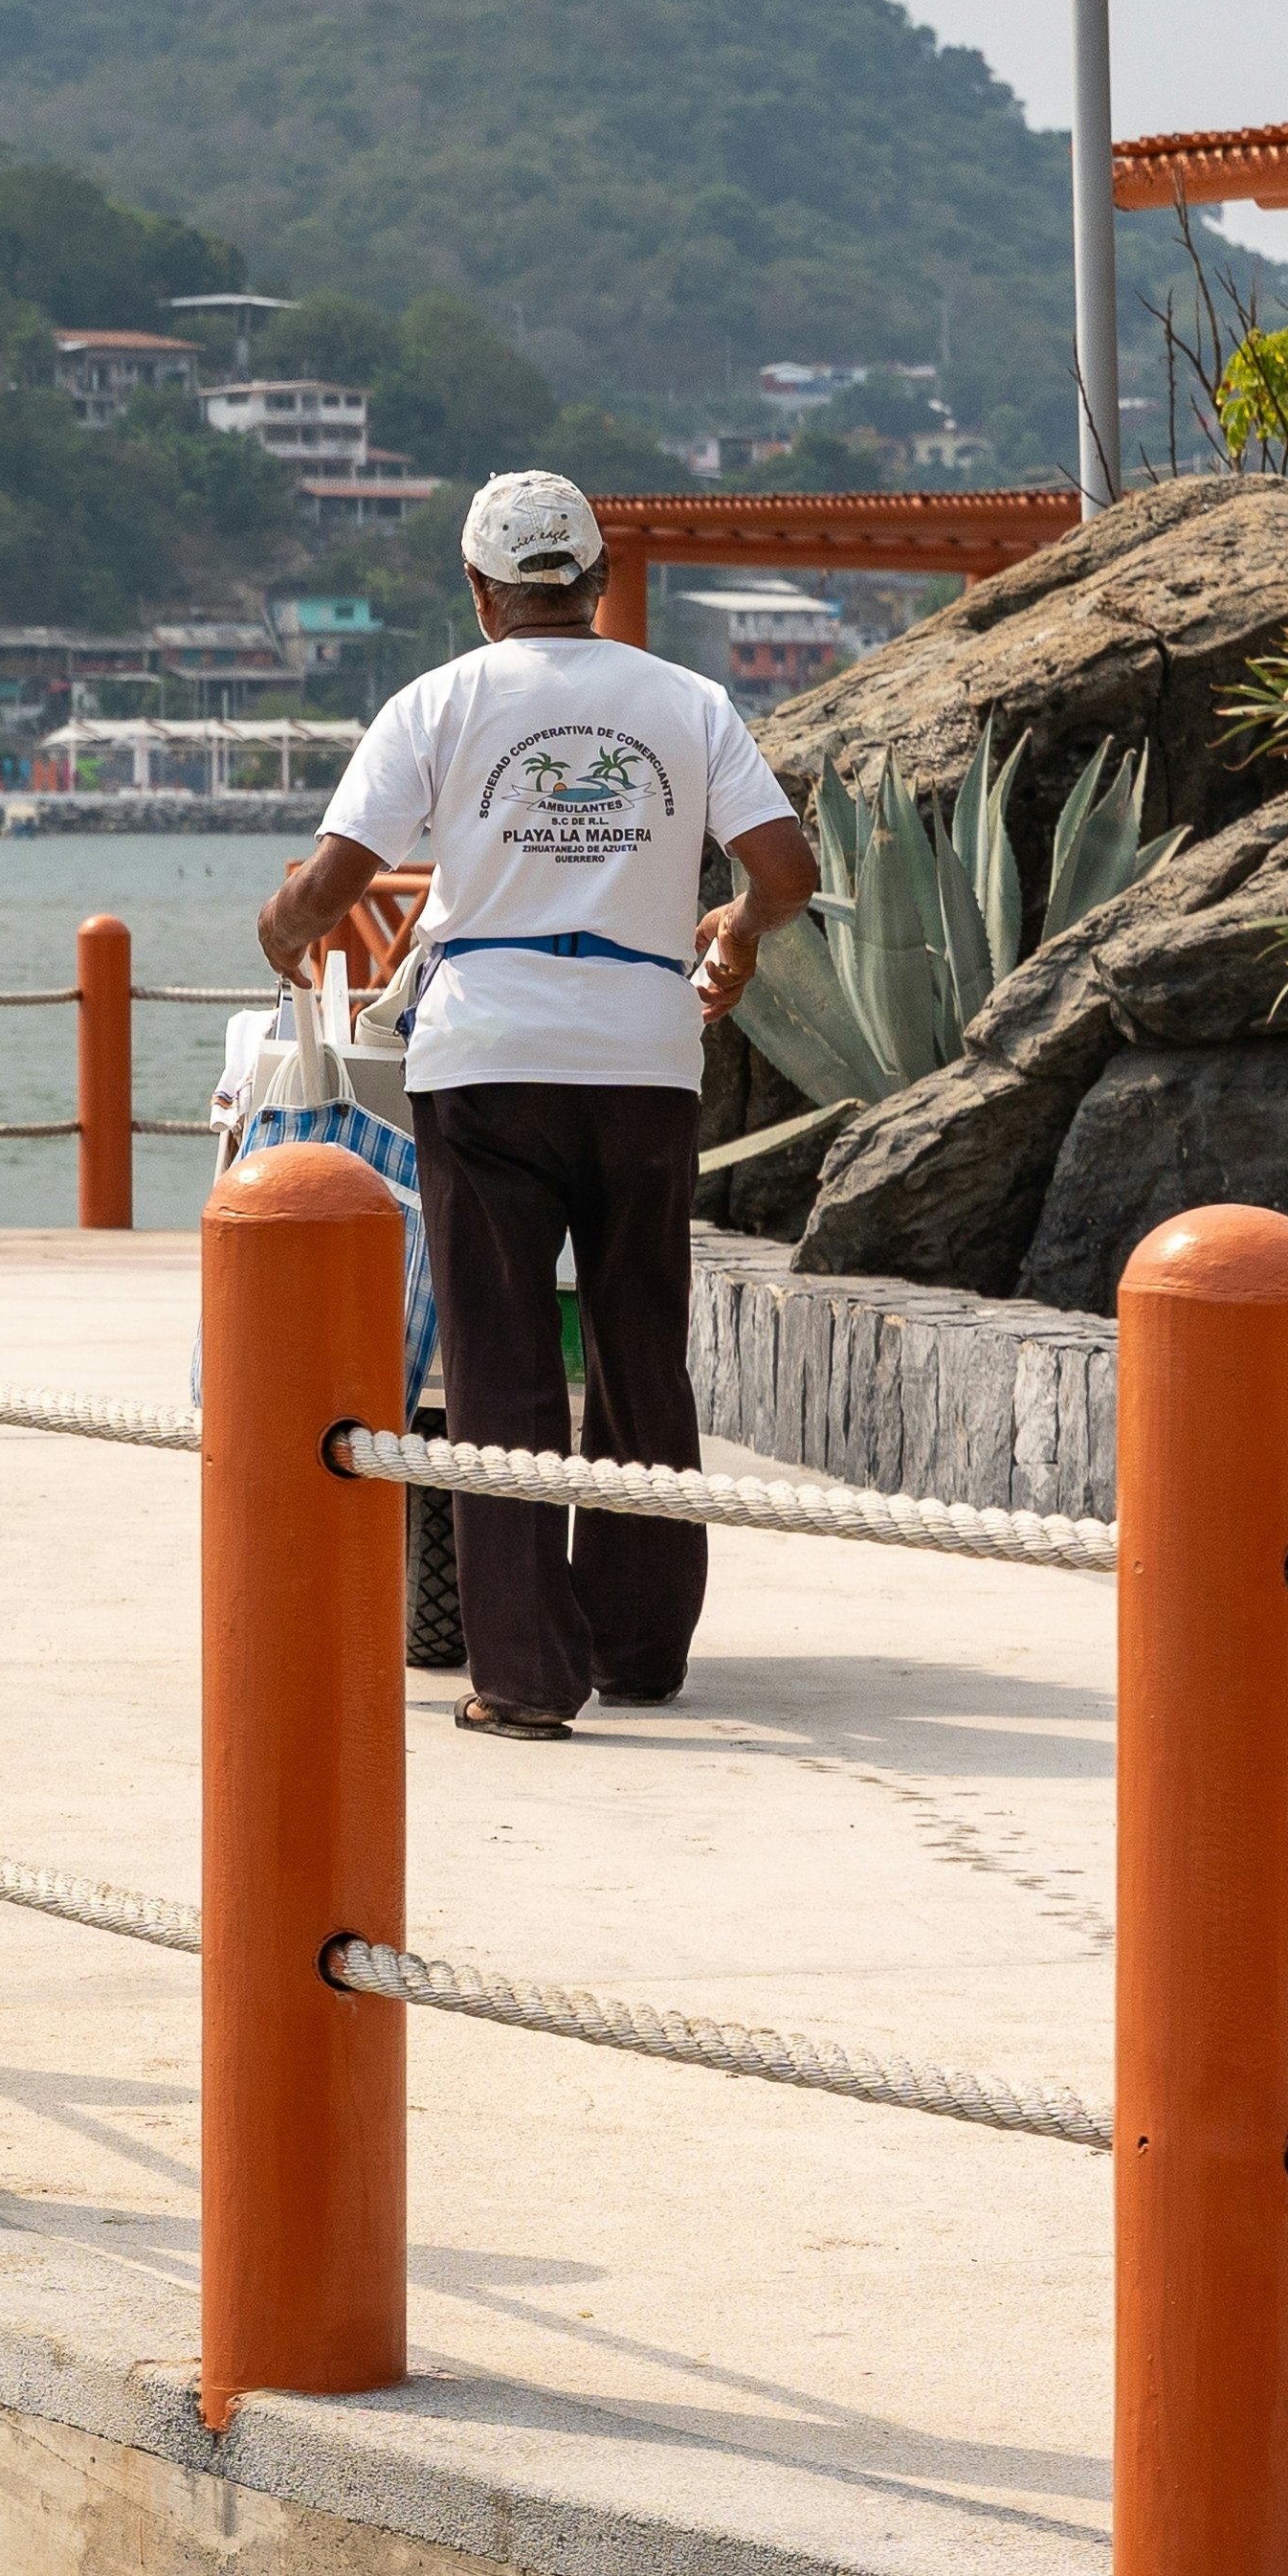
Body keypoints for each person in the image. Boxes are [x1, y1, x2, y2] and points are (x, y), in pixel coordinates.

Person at [256, 470, 818, 1741]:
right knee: (637, 1353)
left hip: (487, 1061)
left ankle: (522, 1680)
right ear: (602, 578)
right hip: (643, 1062)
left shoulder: (439, 702)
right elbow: (786, 868)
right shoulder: (688, 703)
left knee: (502, 1369)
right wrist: (733, 930)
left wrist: (280, 929)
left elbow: (332, 880)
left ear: (478, 589)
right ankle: (640, 1648)